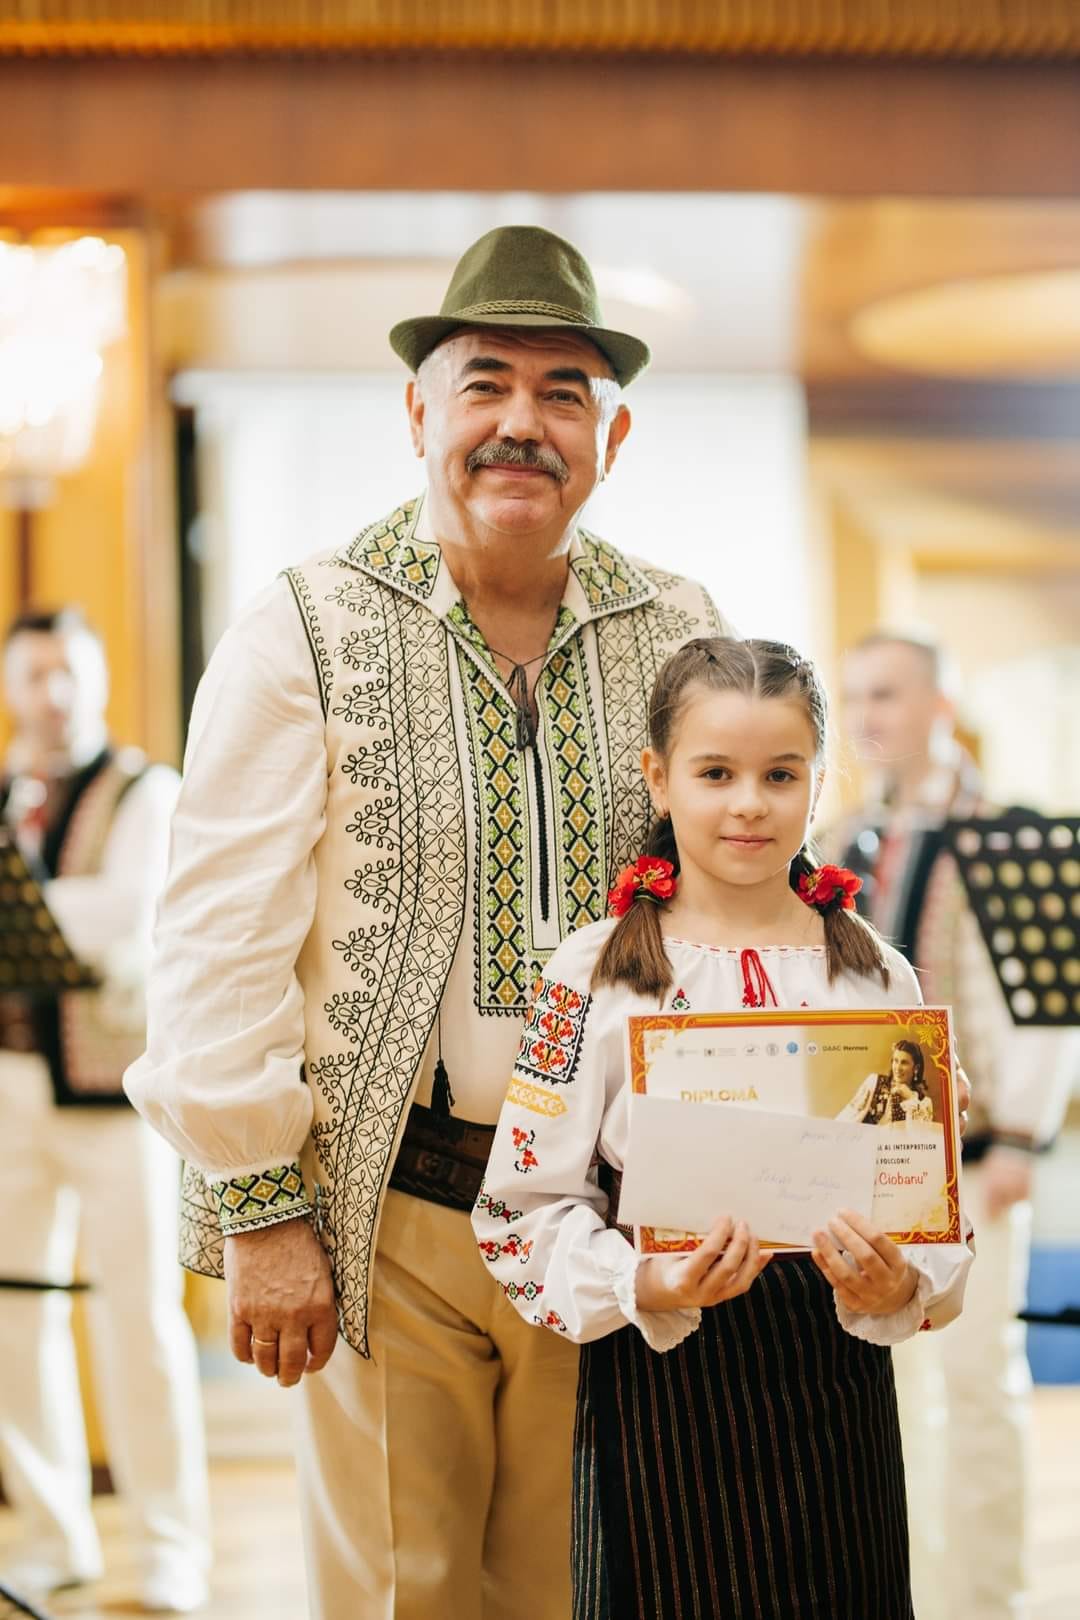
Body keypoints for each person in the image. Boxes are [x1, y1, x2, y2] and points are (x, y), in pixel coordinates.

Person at [124, 225, 731, 1620]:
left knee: (579, 1589)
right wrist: (264, 1209)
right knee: (406, 1592)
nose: (522, 423)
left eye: (562, 393)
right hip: (388, 1213)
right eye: (486, 385)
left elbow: (740, 896)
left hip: (610, 1215)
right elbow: (217, 937)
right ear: (418, 414)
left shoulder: (679, 629)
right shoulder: (307, 625)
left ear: (609, 438)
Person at [474, 636, 973, 1620]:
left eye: (780, 774)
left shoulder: (875, 973)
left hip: (836, 1374)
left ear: (819, 781)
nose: (749, 803)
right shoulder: (591, 974)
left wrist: (904, 1284)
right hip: (664, 1377)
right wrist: (646, 1282)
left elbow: (925, 1200)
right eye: (716, 774)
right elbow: (520, 1209)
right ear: (659, 778)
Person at [837, 629, 1080, 1620]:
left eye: (887, 694)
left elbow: (1050, 1005)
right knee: (895, 1393)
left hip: (980, 1152)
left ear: (940, 706)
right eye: (855, 697)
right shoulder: (844, 839)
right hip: (876, 1155)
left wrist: (1020, 1133)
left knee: (978, 1381)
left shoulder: (1010, 833)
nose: (868, 717)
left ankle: (989, 1600)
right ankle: (916, 1594)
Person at [0, 609, 211, 1612]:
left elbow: (125, 917)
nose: (52, 694)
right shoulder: (8, 788)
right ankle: (51, 1533)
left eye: (68, 673)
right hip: (10, 1087)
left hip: (117, 1089)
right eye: (33, 675)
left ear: (98, 680)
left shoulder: (143, 790)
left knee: (142, 1316)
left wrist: (39, 911)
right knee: (14, 1312)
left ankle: (171, 1547)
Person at [838, 1039, 934, 1125]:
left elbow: (919, 1135)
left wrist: (910, 1098)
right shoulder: (874, 1082)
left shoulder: (924, 1103)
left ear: (916, 1068)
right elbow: (848, 1116)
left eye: (904, 1063)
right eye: (895, 1061)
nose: (898, 1068)